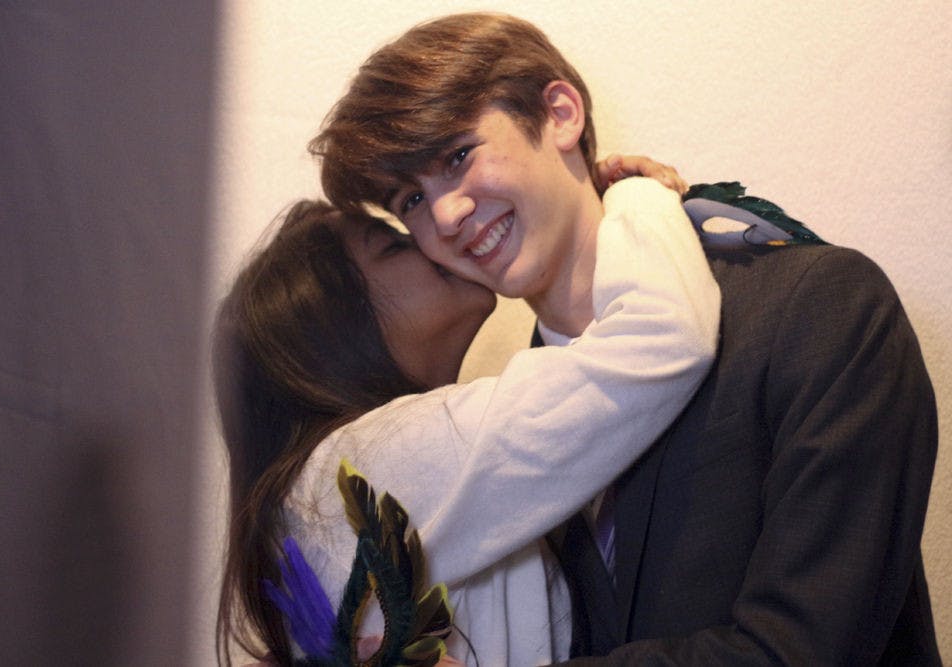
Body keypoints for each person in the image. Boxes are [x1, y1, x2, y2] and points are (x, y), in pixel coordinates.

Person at [310, 11, 940, 664]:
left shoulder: (819, 310)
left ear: (560, 114)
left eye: (458, 155)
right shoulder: (496, 430)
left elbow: (802, 650)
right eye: (409, 199)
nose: (445, 213)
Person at [214, 174, 720, 664]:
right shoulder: (376, 457)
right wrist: (637, 194)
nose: (433, 241)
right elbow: (664, 336)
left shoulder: (324, 483)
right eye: (393, 244)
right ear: (335, 333)